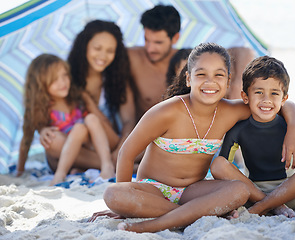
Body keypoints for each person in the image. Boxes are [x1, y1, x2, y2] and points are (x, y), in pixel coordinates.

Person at [89, 43, 295, 233]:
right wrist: (120, 208)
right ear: (188, 78)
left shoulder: (231, 111)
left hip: (194, 191)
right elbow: (127, 153)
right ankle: (186, 216)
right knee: (112, 194)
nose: (210, 82)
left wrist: (294, 128)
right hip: (153, 190)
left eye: (218, 75)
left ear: (229, 81)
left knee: (238, 190)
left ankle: (180, 216)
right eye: (201, 74)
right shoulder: (166, 112)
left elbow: (284, 106)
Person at [211, 56, 295, 217]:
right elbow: (223, 169)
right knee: (218, 164)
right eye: (259, 92)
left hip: (292, 194)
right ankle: (270, 205)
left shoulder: (290, 129)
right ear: (245, 96)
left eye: (274, 93)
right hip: (254, 193)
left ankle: (262, 208)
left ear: (284, 99)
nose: (266, 100)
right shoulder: (238, 130)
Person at [128, 5, 255, 122]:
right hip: (150, 129)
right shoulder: (135, 57)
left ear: (176, 38)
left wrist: (238, 84)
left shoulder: (187, 58)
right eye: (146, 40)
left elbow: (245, 51)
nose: (150, 48)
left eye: (158, 43)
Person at [39, 20, 137, 171]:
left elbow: (129, 121)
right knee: (53, 141)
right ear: (84, 46)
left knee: (94, 120)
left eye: (110, 51)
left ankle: (108, 163)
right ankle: (113, 165)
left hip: (107, 144)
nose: (103, 56)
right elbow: (45, 109)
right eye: (97, 48)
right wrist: (42, 129)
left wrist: (122, 149)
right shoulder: (65, 77)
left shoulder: (117, 79)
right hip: (75, 145)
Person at [17, 54, 115, 185]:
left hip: (85, 149)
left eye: (64, 75)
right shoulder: (40, 109)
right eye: (54, 79)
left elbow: (101, 124)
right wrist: (20, 170)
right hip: (59, 160)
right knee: (55, 137)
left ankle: (107, 165)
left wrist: (89, 104)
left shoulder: (76, 98)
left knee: (90, 119)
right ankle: (61, 174)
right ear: (40, 84)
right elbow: (26, 140)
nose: (62, 82)